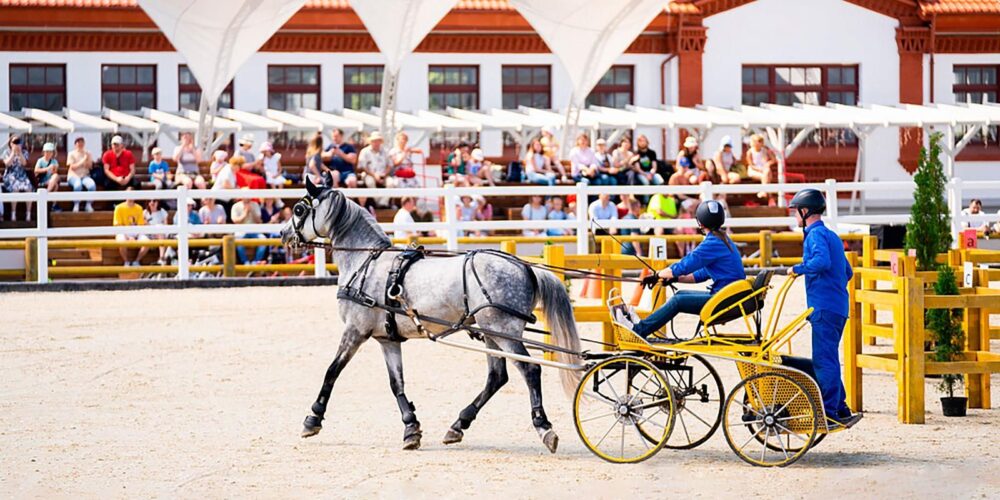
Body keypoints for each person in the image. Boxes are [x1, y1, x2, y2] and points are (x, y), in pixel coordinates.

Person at [614, 199, 745, 339]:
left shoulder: (713, 243)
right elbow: (700, 275)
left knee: (678, 301)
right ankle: (642, 327)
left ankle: (639, 331)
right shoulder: (723, 239)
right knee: (680, 295)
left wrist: (658, 275)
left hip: (723, 300)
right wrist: (675, 278)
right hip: (729, 297)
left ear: (700, 222)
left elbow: (685, 265)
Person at [787, 188, 860, 427]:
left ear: (805, 211)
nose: (795, 218)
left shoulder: (814, 236)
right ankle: (840, 407)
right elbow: (847, 272)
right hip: (838, 306)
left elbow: (821, 262)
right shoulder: (832, 235)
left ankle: (829, 411)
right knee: (829, 358)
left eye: (796, 213)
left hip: (824, 307)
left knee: (823, 360)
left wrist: (798, 269)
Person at [112, 187, 149, 266]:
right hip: (123, 231)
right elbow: (118, 226)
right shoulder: (119, 208)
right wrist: (128, 237)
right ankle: (126, 262)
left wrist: (135, 236)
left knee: (147, 242)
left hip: (136, 231)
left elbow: (141, 225)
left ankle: (136, 261)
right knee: (121, 241)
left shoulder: (139, 208)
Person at [231, 189, 267, 264]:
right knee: (238, 240)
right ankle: (245, 262)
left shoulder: (255, 205)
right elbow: (235, 221)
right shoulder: (236, 206)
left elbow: (259, 221)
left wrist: (252, 211)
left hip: (254, 230)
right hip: (241, 230)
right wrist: (245, 213)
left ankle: (256, 262)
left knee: (264, 240)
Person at [3, 135, 32, 220]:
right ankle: (13, 213)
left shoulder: (24, 152)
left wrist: (20, 153)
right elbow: (7, 164)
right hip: (10, 175)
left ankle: (28, 214)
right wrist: (13, 153)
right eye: (14, 142)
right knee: (15, 188)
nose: (16, 144)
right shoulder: (6, 152)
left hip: (22, 175)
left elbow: (24, 164)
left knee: (29, 188)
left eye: (18, 142)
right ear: (10, 143)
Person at [66, 137, 96, 212]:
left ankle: (88, 204)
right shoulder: (71, 154)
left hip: (85, 176)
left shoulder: (88, 153)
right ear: (75, 144)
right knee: (78, 185)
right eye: (78, 142)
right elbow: (73, 167)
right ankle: (76, 204)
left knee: (92, 185)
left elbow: (90, 166)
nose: (80, 144)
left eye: (82, 142)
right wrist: (83, 160)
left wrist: (87, 160)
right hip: (74, 176)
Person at [143, 198, 170, 263]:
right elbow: (145, 226)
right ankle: (162, 258)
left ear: (157, 202)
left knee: (161, 230)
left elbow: (166, 224)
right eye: (150, 201)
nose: (152, 203)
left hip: (162, 233)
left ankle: (162, 258)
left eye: (154, 201)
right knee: (160, 231)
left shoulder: (162, 211)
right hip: (150, 234)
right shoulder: (145, 213)